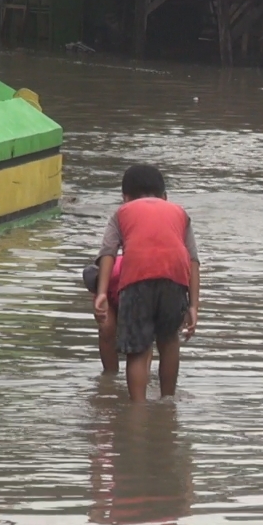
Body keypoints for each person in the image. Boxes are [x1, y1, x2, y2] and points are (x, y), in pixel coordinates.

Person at [94, 165, 201, 401]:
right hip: (175, 278)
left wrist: (101, 293)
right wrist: (194, 305)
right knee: (169, 341)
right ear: (165, 196)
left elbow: (108, 253)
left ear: (125, 197)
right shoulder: (179, 213)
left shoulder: (121, 213)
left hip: (136, 278)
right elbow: (193, 260)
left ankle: (138, 409)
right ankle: (168, 403)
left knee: (138, 351)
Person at [84, 255, 124, 374]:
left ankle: (143, 374)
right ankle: (110, 374)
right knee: (105, 329)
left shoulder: (117, 271)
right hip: (109, 297)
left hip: (133, 285)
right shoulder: (99, 291)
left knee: (140, 330)